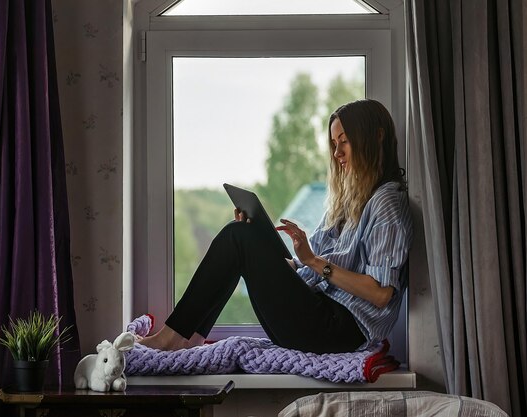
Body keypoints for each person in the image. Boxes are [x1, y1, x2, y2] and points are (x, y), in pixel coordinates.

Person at [139, 99, 413, 354]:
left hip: (338, 329)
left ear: (377, 137)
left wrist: (315, 262)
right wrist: (264, 248)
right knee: (243, 235)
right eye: (334, 143)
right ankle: (190, 336)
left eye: (345, 141)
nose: (338, 152)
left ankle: (172, 338)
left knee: (238, 239)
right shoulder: (350, 202)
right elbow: (304, 265)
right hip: (318, 311)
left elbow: (380, 294)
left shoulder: (387, 203)